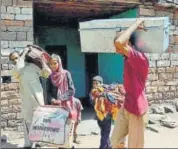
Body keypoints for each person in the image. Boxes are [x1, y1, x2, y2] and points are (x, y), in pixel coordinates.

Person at [111, 18, 149, 148]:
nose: (116, 50)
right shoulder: (128, 60)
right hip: (127, 105)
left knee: (135, 146)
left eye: (117, 48)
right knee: (116, 141)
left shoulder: (140, 58)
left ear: (128, 43)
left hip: (137, 110)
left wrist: (137, 23)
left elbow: (119, 42)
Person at [9, 47, 51, 148]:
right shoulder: (16, 70)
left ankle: (39, 142)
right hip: (26, 99)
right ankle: (28, 143)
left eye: (16, 57)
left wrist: (43, 63)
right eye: (13, 59)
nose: (15, 60)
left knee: (40, 119)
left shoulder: (32, 66)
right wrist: (22, 56)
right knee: (28, 121)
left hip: (37, 97)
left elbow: (47, 74)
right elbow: (19, 68)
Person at [47, 54, 82, 148]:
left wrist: (60, 99)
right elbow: (48, 92)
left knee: (67, 130)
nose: (53, 66)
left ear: (59, 63)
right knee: (57, 131)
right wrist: (52, 99)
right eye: (50, 64)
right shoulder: (50, 77)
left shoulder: (66, 74)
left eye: (55, 63)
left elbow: (71, 90)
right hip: (55, 108)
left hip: (67, 106)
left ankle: (68, 145)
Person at [90, 76, 124, 149]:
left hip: (107, 115)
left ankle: (106, 146)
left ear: (101, 83)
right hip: (100, 116)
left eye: (97, 83)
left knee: (105, 132)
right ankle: (104, 146)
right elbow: (92, 103)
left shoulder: (105, 91)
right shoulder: (94, 92)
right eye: (93, 83)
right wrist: (99, 96)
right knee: (105, 132)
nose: (95, 85)